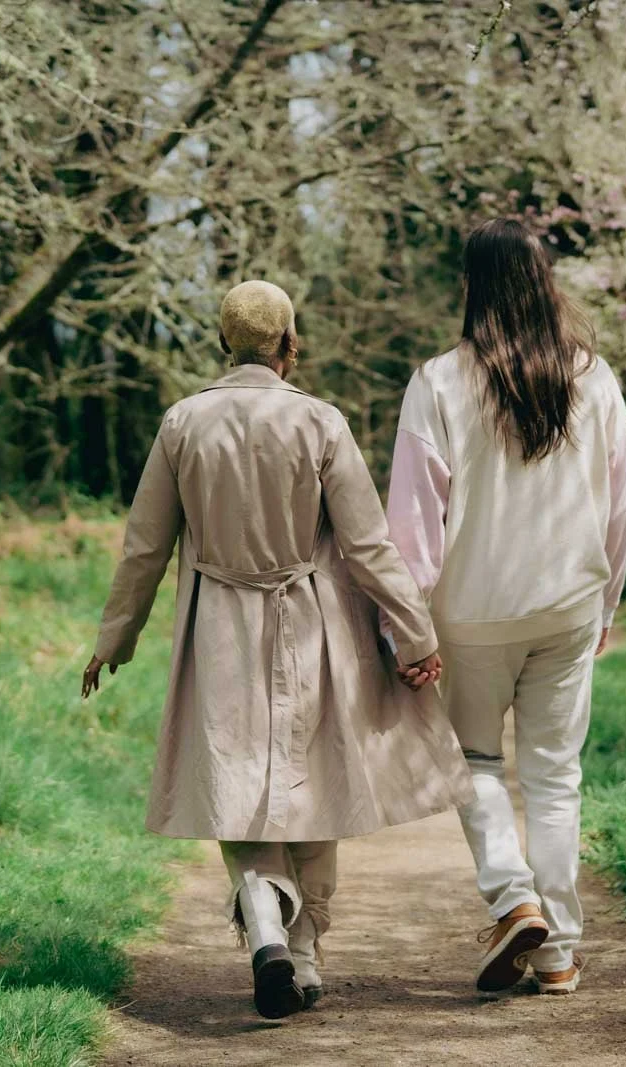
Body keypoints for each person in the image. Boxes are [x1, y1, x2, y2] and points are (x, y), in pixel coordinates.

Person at [81, 280, 472, 1020]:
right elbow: (368, 544)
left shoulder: (182, 423)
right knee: (314, 780)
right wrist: (415, 635)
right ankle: (306, 952)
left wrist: (115, 639)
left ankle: (263, 919)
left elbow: (144, 546)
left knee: (236, 778)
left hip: (217, 627)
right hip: (314, 625)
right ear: (290, 344)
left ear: (223, 343)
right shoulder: (320, 421)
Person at [385, 218, 626, 997]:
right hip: (567, 604)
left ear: (472, 287)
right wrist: (605, 606)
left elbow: (414, 524)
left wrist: (407, 628)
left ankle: (510, 893)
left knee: (476, 764)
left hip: (473, 611)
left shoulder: (439, 383)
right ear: (545, 282)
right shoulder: (596, 380)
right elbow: (616, 509)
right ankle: (557, 949)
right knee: (556, 778)